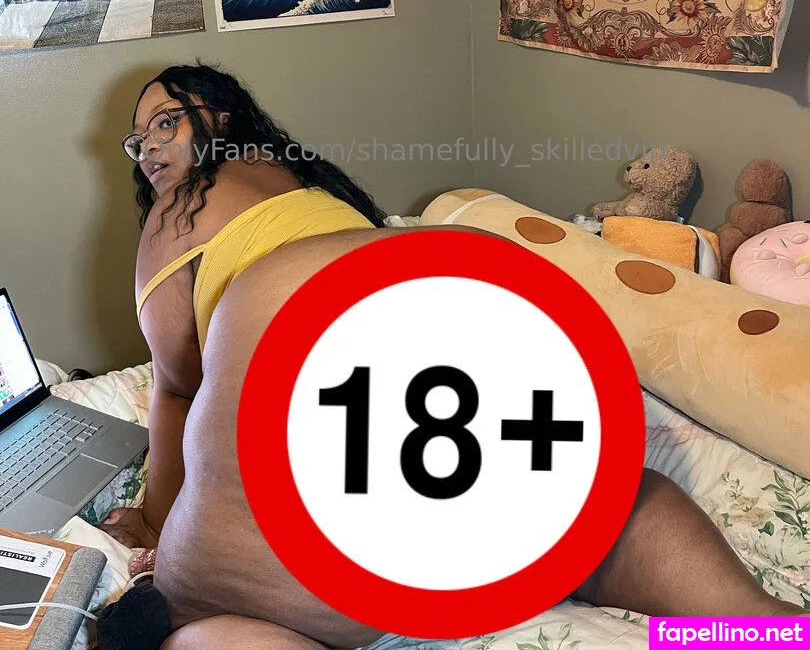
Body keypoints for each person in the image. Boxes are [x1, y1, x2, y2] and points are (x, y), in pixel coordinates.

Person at [152, 228, 804, 650]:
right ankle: (759, 624)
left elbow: (176, 392)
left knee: (211, 634)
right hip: (462, 269)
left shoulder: (178, 242)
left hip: (292, 308)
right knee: (620, 506)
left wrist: (151, 518)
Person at [102, 63, 387, 552]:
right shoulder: (309, 180)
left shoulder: (179, 212)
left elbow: (177, 391)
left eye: (166, 122)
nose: (148, 146)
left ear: (223, 119)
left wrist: (152, 525)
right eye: (139, 139)